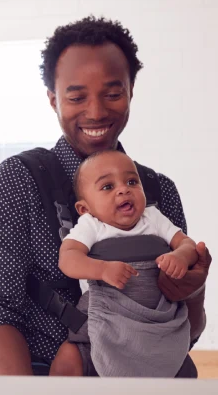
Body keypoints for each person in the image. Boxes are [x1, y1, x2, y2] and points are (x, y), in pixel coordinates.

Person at [0, 16, 212, 376]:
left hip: (151, 392)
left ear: (131, 91)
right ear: (53, 100)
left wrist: (194, 292)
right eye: (77, 96)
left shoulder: (159, 192)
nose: (96, 111)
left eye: (113, 94)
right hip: (50, 387)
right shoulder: (16, 182)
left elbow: (185, 330)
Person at [50, 149, 198, 377]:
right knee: (69, 357)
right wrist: (102, 269)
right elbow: (68, 259)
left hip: (155, 322)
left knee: (179, 362)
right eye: (108, 187)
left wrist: (180, 256)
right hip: (105, 317)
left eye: (132, 181)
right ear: (85, 208)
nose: (123, 189)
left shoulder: (153, 218)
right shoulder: (92, 226)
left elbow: (188, 245)